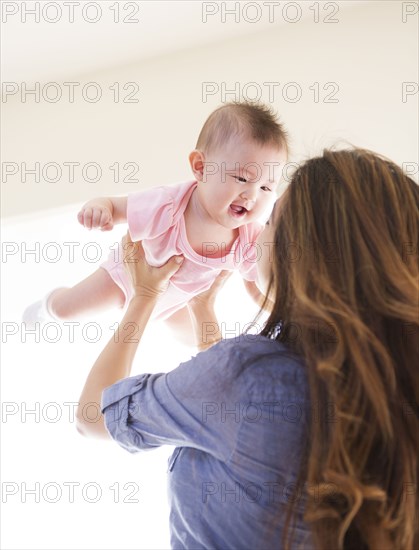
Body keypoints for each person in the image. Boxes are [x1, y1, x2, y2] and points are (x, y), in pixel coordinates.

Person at [76, 148, 419, 549]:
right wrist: (205, 315)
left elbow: (94, 416)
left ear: (300, 254)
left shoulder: (249, 377)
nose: (258, 228)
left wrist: (144, 296)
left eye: (271, 218)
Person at [22, 101, 288, 346]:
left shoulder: (249, 238)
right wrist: (100, 209)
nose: (252, 196)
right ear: (201, 167)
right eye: (242, 179)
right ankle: (49, 307)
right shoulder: (169, 205)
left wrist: (282, 307)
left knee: (198, 344)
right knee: (69, 310)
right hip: (127, 278)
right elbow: (116, 207)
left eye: (266, 187)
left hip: (182, 301)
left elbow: (259, 284)